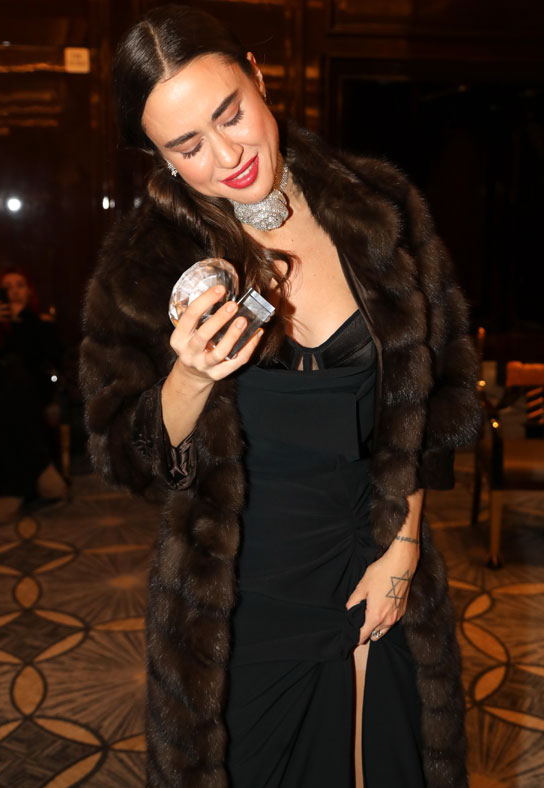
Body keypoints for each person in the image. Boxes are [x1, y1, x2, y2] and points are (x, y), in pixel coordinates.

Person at [80, 5, 482, 786]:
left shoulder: (379, 208)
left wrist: (403, 548)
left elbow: (434, 400)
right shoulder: (145, 266)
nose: (226, 155)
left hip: (376, 558)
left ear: (258, 76)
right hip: (242, 594)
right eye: (187, 146)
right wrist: (190, 377)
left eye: (229, 113)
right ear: (159, 158)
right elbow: (125, 457)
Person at [0, 266, 68, 523]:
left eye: (20, 285)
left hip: (32, 389)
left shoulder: (41, 322)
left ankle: (10, 491)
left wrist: (25, 320)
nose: (14, 291)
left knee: (14, 390)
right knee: (10, 375)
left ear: (29, 291)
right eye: (7, 287)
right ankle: (42, 467)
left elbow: (53, 357)